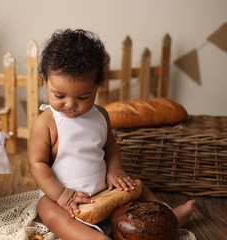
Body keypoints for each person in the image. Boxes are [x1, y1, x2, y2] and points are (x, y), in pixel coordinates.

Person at [28, 29, 195, 240]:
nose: (70, 104)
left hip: (106, 192)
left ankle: (167, 217)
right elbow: (37, 164)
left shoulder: (101, 115)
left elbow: (110, 147)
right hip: (65, 200)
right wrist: (61, 194)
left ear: (97, 86)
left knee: (136, 187)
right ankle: (94, 238)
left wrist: (115, 171)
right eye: (59, 95)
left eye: (83, 96)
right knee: (47, 210)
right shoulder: (46, 123)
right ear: (46, 82)